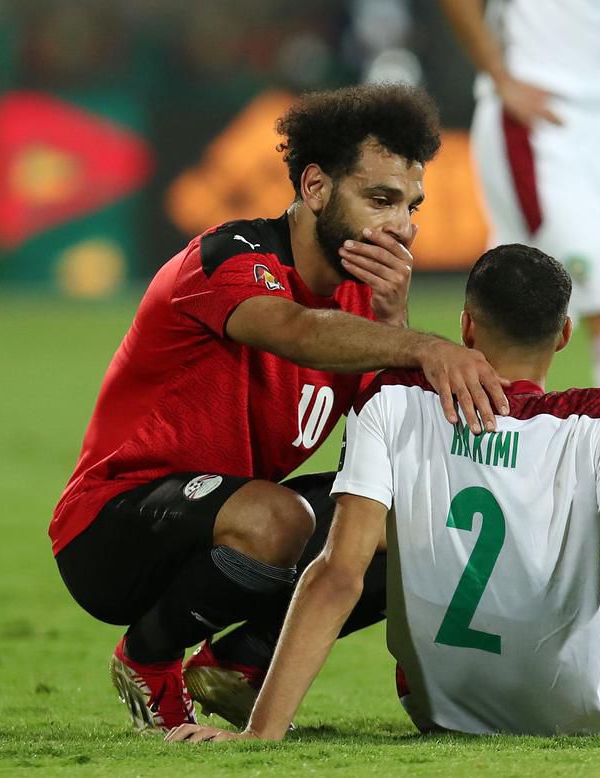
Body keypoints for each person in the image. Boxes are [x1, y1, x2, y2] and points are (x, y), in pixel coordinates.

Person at [166, 245, 600, 746]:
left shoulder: (390, 404)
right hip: (591, 706)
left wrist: (261, 737)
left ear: (468, 326)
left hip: (441, 709)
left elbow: (338, 575)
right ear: (564, 334)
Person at [49, 83, 510, 732]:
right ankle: (148, 661)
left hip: (235, 525)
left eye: (411, 205)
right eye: (379, 199)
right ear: (317, 188)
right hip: (113, 528)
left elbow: (384, 448)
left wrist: (393, 321)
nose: (402, 227)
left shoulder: (363, 305)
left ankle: (240, 664)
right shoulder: (228, 258)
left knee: (408, 516)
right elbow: (290, 329)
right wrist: (421, 345)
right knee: (276, 519)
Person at [439, 0, 600, 485]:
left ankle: (482, 484)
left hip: (597, 124)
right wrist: (499, 75)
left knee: (503, 320)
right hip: (539, 122)